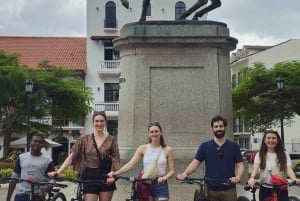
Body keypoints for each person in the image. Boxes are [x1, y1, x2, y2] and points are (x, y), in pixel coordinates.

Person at [48, 111, 120, 201]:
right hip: (90, 176)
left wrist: (113, 174)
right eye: (96, 121)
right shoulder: (84, 139)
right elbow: (72, 157)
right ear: (93, 122)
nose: (99, 123)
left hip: (106, 176)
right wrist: (58, 172)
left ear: (105, 122)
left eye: (102, 121)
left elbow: (116, 159)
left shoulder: (111, 140)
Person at [177, 115, 244, 201]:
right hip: (210, 190)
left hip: (229, 190)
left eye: (221, 126)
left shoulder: (234, 146)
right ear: (212, 128)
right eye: (216, 126)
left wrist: (238, 177)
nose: (218, 129)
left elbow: (240, 165)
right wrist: (185, 174)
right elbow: (195, 162)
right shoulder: (205, 146)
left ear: (225, 127)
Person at [109, 121, 175, 201]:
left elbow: (172, 171)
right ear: (149, 134)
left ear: (161, 132)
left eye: (156, 131)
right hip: (145, 183)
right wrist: (116, 173)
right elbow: (131, 164)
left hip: (160, 184)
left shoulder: (168, 150)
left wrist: (165, 178)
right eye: (151, 132)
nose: (154, 134)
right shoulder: (143, 148)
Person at [247, 130, 300, 201]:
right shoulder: (260, 154)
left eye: (273, 138)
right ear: (264, 140)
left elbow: (288, 168)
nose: (271, 140)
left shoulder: (284, 154)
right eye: (268, 138)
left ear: (277, 140)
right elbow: (256, 167)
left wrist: (294, 179)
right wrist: (252, 177)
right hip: (265, 188)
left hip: (281, 188)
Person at [6, 132, 55, 201]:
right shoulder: (21, 157)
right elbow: (14, 178)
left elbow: (52, 179)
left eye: (40, 142)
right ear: (30, 142)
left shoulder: (48, 160)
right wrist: (8, 198)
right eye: (35, 141)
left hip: (38, 194)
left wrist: (44, 192)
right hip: (22, 193)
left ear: (42, 145)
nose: (37, 143)